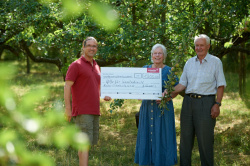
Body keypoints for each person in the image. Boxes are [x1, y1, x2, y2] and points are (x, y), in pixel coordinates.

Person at [167, 34, 227, 166]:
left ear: (208, 46)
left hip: (206, 103)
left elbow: (221, 85)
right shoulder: (189, 63)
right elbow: (182, 85)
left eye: (201, 45)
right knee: (185, 140)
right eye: (196, 45)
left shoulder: (216, 62)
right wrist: (167, 94)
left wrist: (217, 104)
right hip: (188, 103)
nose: (199, 48)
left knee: (205, 141)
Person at [64, 37, 111, 166]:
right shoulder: (76, 65)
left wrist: (104, 95)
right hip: (82, 110)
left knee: (87, 144)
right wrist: (68, 108)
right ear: (83, 47)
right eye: (89, 45)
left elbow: (97, 87)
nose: (92, 48)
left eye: (94, 46)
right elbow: (67, 86)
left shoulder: (96, 65)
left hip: (94, 109)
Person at [134, 44, 179, 166]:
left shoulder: (170, 71)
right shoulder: (144, 69)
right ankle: (147, 161)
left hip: (163, 109)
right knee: (146, 134)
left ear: (164, 56)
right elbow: (136, 86)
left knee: (164, 135)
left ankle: (163, 161)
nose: (157, 55)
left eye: (160, 53)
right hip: (147, 108)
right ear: (151, 55)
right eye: (155, 53)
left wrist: (168, 95)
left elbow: (178, 88)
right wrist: (138, 93)